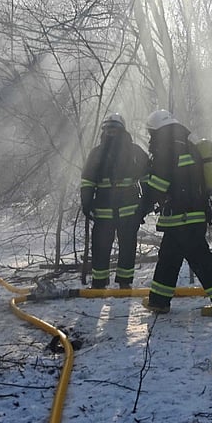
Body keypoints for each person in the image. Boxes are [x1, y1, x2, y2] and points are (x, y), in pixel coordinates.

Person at [138, 109, 212, 316]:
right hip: (195, 214)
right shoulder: (190, 147)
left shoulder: (167, 150)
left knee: (199, 257)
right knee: (169, 257)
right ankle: (159, 301)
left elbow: (158, 185)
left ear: (156, 132)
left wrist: (141, 209)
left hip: (181, 217)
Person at [80, 113, 150, 290]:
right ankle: (99, 282)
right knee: (100, 247)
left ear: (121, 131)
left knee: (128, 247)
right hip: (103, 209)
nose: (110, 133)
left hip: (129, 207)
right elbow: (88, 180)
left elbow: (147, 178)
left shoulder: (135, 152)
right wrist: (86, 203)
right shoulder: (96, 153)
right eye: (107, 129)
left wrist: (146, 205)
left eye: (114, 129)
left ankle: (125, 282)